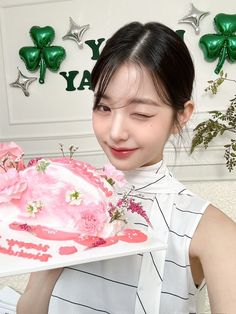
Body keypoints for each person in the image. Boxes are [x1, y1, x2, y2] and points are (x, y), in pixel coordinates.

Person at [17, 21, 236, 314]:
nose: (115, 132)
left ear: (182, 114)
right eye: (103, 108)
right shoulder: (67, 201)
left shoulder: (212, 231)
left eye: (141, 113)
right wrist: (51, 257)